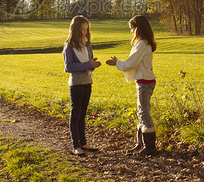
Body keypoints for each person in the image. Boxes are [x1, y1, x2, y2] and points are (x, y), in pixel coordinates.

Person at [106, 14, 158, 156]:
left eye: (132, 28)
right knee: (140, 111)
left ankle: (150, 146)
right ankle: (141, 144)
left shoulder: (142, 44)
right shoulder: (142, 43)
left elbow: (130, 64)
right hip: (142, 81)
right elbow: (132, 62)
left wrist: (117, 63)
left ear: (138, 28)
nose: (131, 31)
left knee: (143, 113)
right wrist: (118, 61)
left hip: (145, 82)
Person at [63, 15, 102, 156]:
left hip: (87, 82)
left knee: (82, 114)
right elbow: (68, 66)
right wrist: (87, 64)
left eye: (86, 29)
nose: (85, 32)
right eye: (82, 29)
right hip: (76, 83)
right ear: (75, 29)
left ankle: (83, 142)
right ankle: (76, 145)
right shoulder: (69, 45)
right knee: (76, 114)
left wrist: (93, 65)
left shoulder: (87, 44)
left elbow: (88, 64)